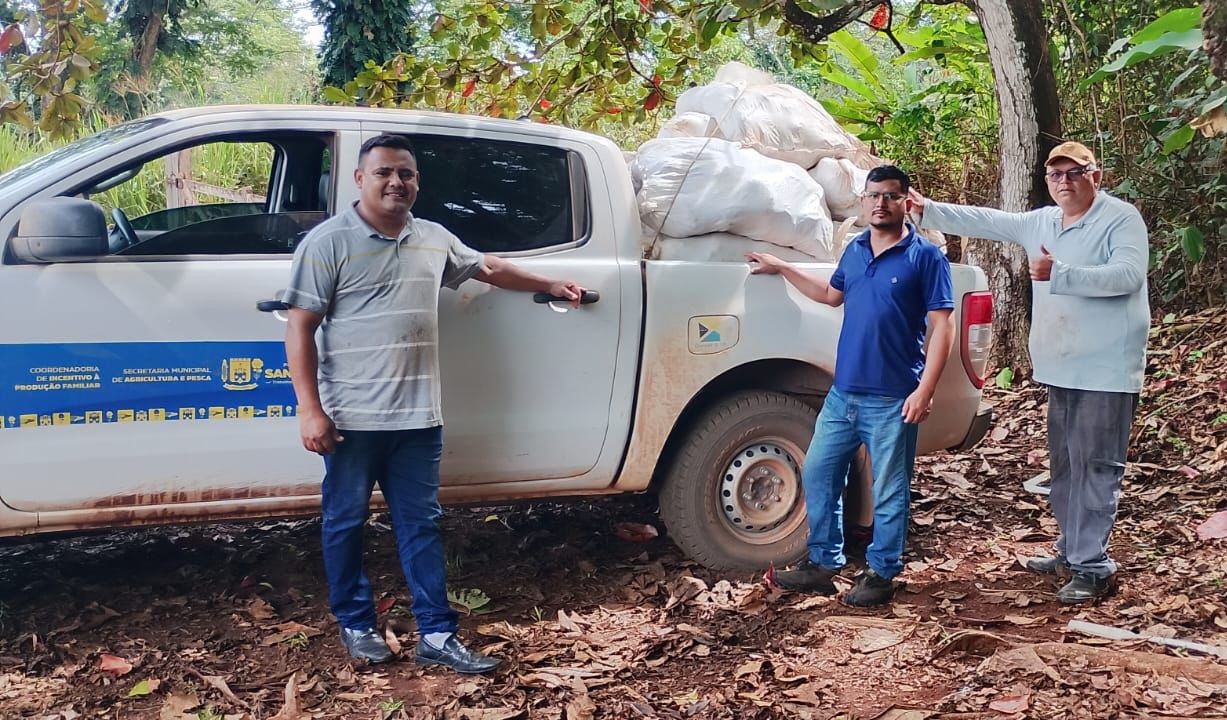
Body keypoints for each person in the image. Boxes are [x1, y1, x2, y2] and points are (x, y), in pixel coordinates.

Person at [283, 134, 584, 670]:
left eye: (406, 173)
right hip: (352, 419)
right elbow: (300, 328)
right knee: (345, 522)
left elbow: (488, 269)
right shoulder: (327, 243)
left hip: (419, 418)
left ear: (417, 182)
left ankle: (438, 635)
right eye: (383, 173)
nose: (396, 182)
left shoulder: (433, 238)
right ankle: (356, 623)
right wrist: (310, 409)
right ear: (359, 179)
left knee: (421, 525)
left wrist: (552, 283)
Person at [909, 141, 1148, 604]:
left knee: (1097, 466)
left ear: (1095, 176)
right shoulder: (1043, 221)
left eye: (1074, 173)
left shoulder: (1120, 218)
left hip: (1106, 367)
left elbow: (1128, 275)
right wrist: (929, 210)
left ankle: (1093, 566)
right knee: (1066, 465)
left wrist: (1062, 273)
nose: (1064, 182)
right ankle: (1071, 549)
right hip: (1061, 365)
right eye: (1056, 175)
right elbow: (988, 220)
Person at [747, 165, 955, 606]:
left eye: (891, 196)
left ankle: (882, 572)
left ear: (906, 202)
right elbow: (831, 295)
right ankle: (823, 564)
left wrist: (925, 390)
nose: (881, 203)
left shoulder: (925, 257)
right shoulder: (856, 250)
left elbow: (943, 326)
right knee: (819, 472)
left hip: (894, 397)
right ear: (863, 200)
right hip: (843, 395)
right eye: (874, 195)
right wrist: (783, 267)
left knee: (889, 489)